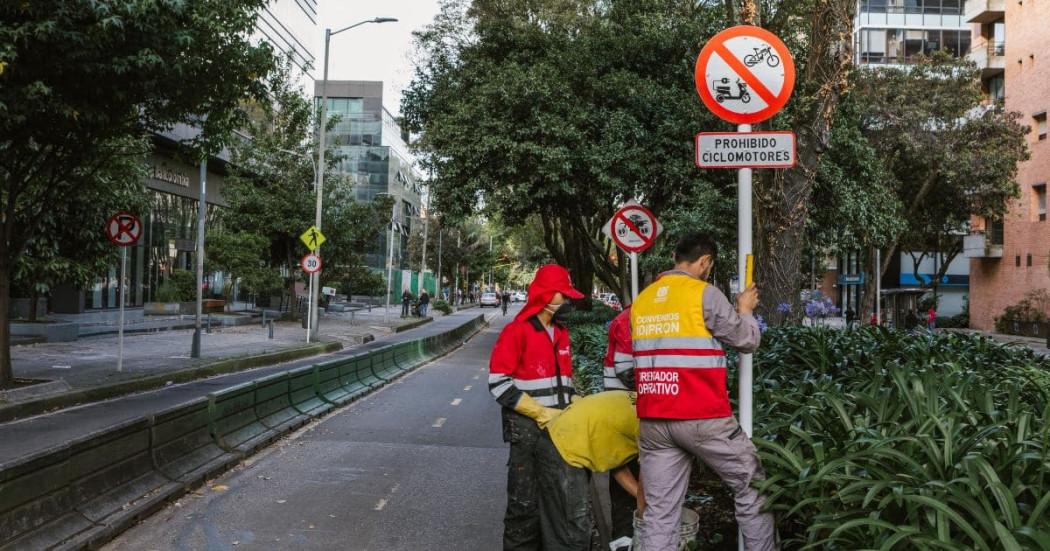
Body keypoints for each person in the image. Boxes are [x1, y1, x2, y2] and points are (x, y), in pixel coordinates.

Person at [631, 232, 774, 551]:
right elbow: (746, 340)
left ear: (674, 258)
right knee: (753, 486)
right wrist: (746, 309)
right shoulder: (704, 294)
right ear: (705, 261)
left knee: (660, 514)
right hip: (702, 416)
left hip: (654, 419)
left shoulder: (643, 300)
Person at [489, 264, 583, 550]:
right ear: (546, 296)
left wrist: (576, 402)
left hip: (559, 431)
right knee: (524, 506)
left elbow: (566, 382)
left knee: (559, 505)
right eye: (563, 296)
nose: (567, 302)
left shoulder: (562, 334)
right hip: (527, 432)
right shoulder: (517, 331)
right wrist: (541, 413)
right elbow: (499, 384)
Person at [532, 390, 644, 550]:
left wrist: (640, 495)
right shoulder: (654, 428)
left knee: (565, 526)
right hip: (564, 447)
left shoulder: (646, 403)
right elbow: (646, 487)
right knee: (572, 532)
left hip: (561, 436)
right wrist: (647, 505)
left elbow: (618, 466)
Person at [601, 305, 638, 540]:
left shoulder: (636, 316)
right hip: (624, 410)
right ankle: (624, 541)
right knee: (626, 472)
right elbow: (626, 371)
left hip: (631, 410)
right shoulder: (629, 320)